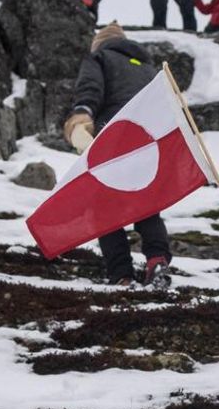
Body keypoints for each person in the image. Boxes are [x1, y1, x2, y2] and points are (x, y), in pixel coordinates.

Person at [62, 21, 173, 287]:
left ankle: (121, 274)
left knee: (105, 207)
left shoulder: (99, 57)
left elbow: (91, 87)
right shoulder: (148, 68)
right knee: (146, 204)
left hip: (112, 137)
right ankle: (156, 260)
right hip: (147, 141)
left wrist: (82, 112)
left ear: (99, 43)